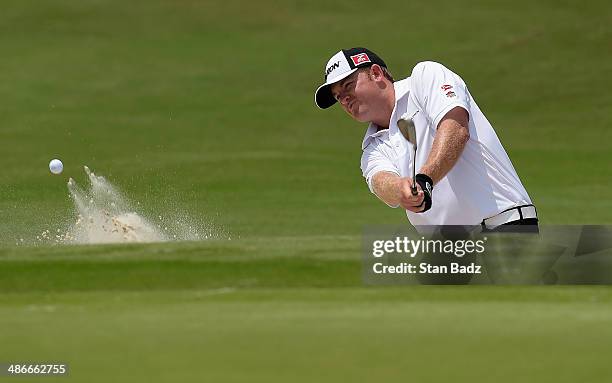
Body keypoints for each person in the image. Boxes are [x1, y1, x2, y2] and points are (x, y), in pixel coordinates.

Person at [314, 47, 538, 232]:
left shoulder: (424, 78)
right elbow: (380, 181)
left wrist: (425, 180)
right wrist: (401, 189)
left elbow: (456, 128)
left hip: (503, 225)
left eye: (348, 86)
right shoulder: (372, 147)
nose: (344, 99)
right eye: (337, 96)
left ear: (376, 73)